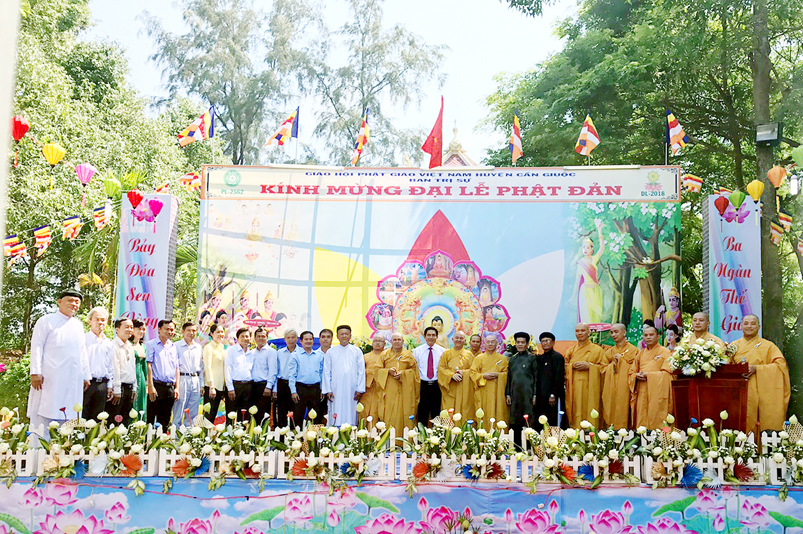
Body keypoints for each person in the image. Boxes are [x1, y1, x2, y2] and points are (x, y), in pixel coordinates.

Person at [27, 289, 91, 434]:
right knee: (45, 414)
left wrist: (86, 375)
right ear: (60, 302)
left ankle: (66, 445)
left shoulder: (78, 325)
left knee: (70, 414)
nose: (74, 304)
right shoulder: (46, 321)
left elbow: (82, 351)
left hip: (73, 379)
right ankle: (40, 446)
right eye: (70, 300)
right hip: (51, 378)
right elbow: (37, 346)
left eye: (77, 302)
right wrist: (35, 372)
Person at [729, 315, 790, 432]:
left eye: (753, 323)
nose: (749, 326)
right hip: (739, 391)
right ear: (741, 326)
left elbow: (781, 366)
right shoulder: (733, 346)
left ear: (759, 326)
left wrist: (757, 369)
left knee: (760, 420)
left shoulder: (769, 346)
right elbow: (726, 367)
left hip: (761, 391)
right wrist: (737, 371)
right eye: (746, 323)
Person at [564, 323, 609, 427]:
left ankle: (592, 434)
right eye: (577, 331)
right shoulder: (571, 351)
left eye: (582, 330)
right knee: (576, 410)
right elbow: (564, 367)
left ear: (588, 332)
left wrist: (590, 366)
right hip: (574, 388)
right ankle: (575, 433)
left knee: (591, 410)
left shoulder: (597, 350)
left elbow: (605, 368)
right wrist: (572, 366)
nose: (580, 333)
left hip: (591, 388)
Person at [629, 325, 673, 429]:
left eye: (651, 335)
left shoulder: (665, 352)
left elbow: (668, 374)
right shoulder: (641, 354)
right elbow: (631, 372)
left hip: (657, 392)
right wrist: (636, 376)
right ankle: (642, 436)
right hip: (642, 390)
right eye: (645, 335)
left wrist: (649, 375)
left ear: (658, 336)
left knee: (656, 417)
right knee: (642, 417)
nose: (648, 337)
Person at [322, 325, 366, 426]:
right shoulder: (331, 352)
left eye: (346, 334)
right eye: (342, 334)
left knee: (350, 411)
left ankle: (350, 430)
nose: (344, 336)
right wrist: (328, 390)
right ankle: (334, 431)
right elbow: (326, 372)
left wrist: (359, 389)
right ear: (337, 336)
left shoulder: (357, 351)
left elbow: (361, 371)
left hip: (352, 389)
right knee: (335, 411)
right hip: (335, 389)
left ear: (350, 336)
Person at [378, 331, 419, 432]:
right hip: (389, 390)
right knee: (389, 414)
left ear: (403, 341)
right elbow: (376, 371)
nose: (397, 342)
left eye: (399, 340)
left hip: (405, 390)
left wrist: (403, 374)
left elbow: (415, 373)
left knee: (405, 412)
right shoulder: (384, 354)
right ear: (391, 341)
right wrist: (388, 371)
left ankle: (405, 438)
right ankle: (388, 438)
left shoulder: (408, 355)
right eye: (395, 340)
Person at [601, 323, 639, 429]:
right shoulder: (609, 352)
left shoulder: (633, 350)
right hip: (611, 388)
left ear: (624, 333)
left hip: (626, 387)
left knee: (624, 408)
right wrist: (612, 365)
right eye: (612, 332)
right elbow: (602, 369)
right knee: (610, 407)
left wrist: (622, 362)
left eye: (616, 332)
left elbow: (636, 369)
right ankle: (610, 432)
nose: (613, 335)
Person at [470, 334, 509, 428]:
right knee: (482, 412)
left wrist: (498, 375)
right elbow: (472, 373)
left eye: (492, 342)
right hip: (483, 391)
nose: (490, 344)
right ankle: (482, 433)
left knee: (498, 411)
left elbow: (507, 374)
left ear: (496, 344)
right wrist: (483, 375)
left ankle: (498, 434)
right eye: (488, 342)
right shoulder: (479, 358)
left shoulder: (503, 359)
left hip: (497, 392)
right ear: (484, 344)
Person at [146, 320, 180, 427]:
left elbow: (176, 368)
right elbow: (149, 365)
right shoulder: (151, 344)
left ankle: (162, 437)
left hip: (169, 388)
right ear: (159, 329)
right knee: (151, 418)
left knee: (165, 419)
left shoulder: (173, 347)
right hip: (156, 386)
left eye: (172, 329)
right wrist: (151, 386)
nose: (169, 332)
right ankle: (149, 438)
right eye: (167, 329)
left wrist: (177, 388)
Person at [83, 307, 114, 421]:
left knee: (97, 419)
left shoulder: (108, 343)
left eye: (103, 320)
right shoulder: (83, 339)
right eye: (97, 319)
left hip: (102, 385)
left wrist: (109, 385)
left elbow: (110, 366)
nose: (100, 322)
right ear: (90, 321)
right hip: (86, 384)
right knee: (82, 417)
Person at [505, 332, 537, 438]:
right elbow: (509, 377)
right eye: (518, 342)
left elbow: (536, 378)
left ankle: (529, 443)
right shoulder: (512, 359)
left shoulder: (532, 358)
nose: (520, 344)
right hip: (515, 395)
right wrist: (508, 394)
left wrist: (535, 394)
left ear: (527, 344)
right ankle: (516, 444)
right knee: (515, 419)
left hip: (528, 394)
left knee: (528, 419)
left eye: (522, 342)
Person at [289, 331, 324, 424]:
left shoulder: (319, 356)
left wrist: (322, 389)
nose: (308, 341)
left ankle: (315, 433)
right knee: (298, 415)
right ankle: (298, 433)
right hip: (301, 388)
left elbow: (321, 374)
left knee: (316, 416)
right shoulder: (295, 355)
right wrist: (293, 391)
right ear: (301, 341)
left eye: (310, 339)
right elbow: (292, 375)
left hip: (315, 389)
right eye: (306, 339)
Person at [412, 326, 446, 426]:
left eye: (433, 335)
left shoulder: (443, 351)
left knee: (437, 413)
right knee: (422, 412)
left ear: (437, 337)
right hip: (422, 385)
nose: (431, 337)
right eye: (429, 335)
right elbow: (413, 368)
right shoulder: (417, 351)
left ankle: (437, 434)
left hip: (437, 385)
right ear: (425, 336)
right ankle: (422, 434)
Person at [438, 331, 475, 418]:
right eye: (457, 338)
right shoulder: (446, 354)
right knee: (448, 410)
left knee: (463, 408)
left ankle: (463, 426)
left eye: (461, 338)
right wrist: (451, 375)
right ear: (452, 339)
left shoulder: (469, 355)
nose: (458, 340)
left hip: (464, 387)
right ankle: (448, 427)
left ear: (464, 340)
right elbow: (441, 369)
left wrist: (464, 373)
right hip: (450, 388)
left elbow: (474, 371)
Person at [575, 220, 605, 324]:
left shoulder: (594, 259)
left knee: (595, 317)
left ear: (592, 250)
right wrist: (573, 297)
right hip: (585, 292)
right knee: (587, 318)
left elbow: (602, 248)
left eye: (588, 247)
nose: (585, 249)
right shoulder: (580, 263)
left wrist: (599, 231)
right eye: (584, 247)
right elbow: (577, 281)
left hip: (596, 291)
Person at [269, 329, 301, 427]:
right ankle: (281, 433)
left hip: (296, 385)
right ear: (285, 339)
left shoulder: (301, 352)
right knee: (281, 411)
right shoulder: (280, 353)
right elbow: (276, 371)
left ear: (297, 339)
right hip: (282, 384)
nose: (291, 340)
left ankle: (295, 433)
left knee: (296, 411)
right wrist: (275, 389)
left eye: (293, 337)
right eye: (288, 338)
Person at [173, 322, 203, 426]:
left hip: (195, 380)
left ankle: (189, 432)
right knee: (179, 408)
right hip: (182, 378)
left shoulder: (198, 347)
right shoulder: (176, 346)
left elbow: (201, 367)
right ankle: (176, 433)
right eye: (189, 330)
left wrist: (201, 384)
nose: (191, 333)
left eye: (194, 331)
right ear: (183, 332)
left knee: (193, 410)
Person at [108, 318, 136, 426]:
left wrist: (134, 388)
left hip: (129, 387)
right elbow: (115, 368)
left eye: (131, 327)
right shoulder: (114, 345)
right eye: (126, 327)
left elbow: (133, 368)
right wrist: (117, 389)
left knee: (125, 421)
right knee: (114, 421)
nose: (130, 330)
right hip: (119, 389)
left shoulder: (130, 345)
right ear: (117, 329)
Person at [534, 332, 565, 428]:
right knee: (541, 420)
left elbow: (559, 377)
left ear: (553, 342)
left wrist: (553, 394)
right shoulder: (539, 358)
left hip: (552, 397)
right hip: (541, 396)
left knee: (553, 420)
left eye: (547, 340)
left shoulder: (558, 357)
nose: (545, 343)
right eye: (543, 341)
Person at [226, 328, 254, 421]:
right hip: (235, 386)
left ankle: (243, 430)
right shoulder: (231, 350)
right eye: (242, 336)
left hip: (248, 386)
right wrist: (230, 388)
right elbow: (227, 369)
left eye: (247, 336)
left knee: (244, 415)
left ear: (250, 338)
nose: (245, 338)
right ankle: (229, 430)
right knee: (231, 414)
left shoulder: (251, 353)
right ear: (237, 339)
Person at [250, 327, 276, 425]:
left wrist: (268, 387)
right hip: (252, 386)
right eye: (258, 336)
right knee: (253, 414)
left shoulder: (271, 352)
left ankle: (263, 434)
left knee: (263, 414)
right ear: (255, 338)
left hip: (264, 386)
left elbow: (273, 371)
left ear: (267, 338)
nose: (261, 338)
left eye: (263, 336)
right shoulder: (252, 352)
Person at [202, 324, 227, 423]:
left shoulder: (222, 348)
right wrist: (211, 386)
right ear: (212, 334)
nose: (220, 334)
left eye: (222, 332)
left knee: (214, 415)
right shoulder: (208, 347)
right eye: (218, 332)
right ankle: (204, 433)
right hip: (212, 386)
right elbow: (207, 367)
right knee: (208, 415)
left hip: (221, 386)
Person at [360, 333, 386, 423]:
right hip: (367, 389)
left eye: (380, 341)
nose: (377, 343)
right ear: (372, 343)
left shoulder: (387, 356)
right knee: (364, 410)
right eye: (375, 341)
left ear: (384, 343)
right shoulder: (365, 357)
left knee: (379, 411)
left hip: (382, 389)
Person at [131, 319, 148, 417]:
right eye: (139, 329)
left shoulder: (143, 346)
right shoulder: (128, 345)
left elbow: (145, 367)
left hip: (141, 379)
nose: (141, 331)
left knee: (141, 404)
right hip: (131, 378)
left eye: (144, 329)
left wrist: (147, 383)